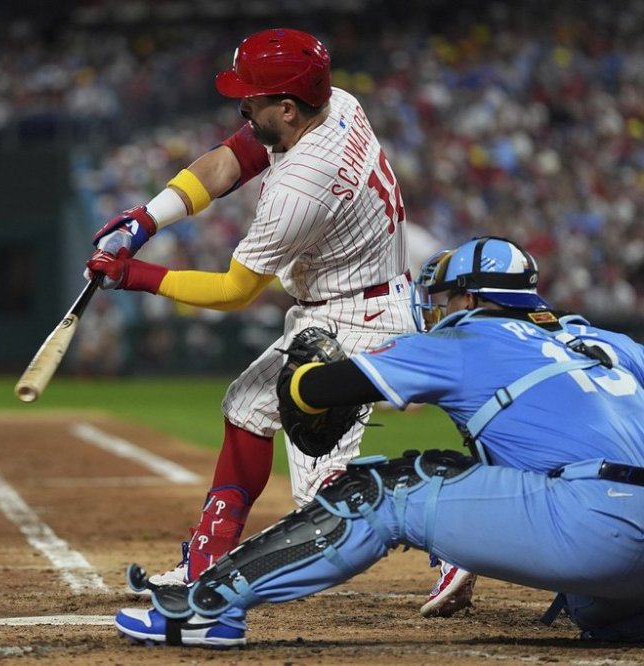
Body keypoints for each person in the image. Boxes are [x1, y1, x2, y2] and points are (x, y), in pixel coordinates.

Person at [85, 27, 471, 615]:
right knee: (246, 405)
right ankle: (206, 558)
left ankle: (454, 544)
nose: (243, 107)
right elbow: (231, 160)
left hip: (352, 319)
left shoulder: (300, 184)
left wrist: (133, 276)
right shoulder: (336, 104)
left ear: (287, 108)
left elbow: (235, 291)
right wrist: (145, 221)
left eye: (254, 99)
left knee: (326, 499)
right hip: (353, 300)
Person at [114, 236, 644, 647]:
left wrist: (299, 379)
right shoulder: (607, 340)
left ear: (473, 298)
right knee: (592, 602)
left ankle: (207, 608)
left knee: (380, 488)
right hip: (621, 536)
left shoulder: (467, 336)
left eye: (447, 297)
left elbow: (327, 387)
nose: (439, 309)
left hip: (592, 523)